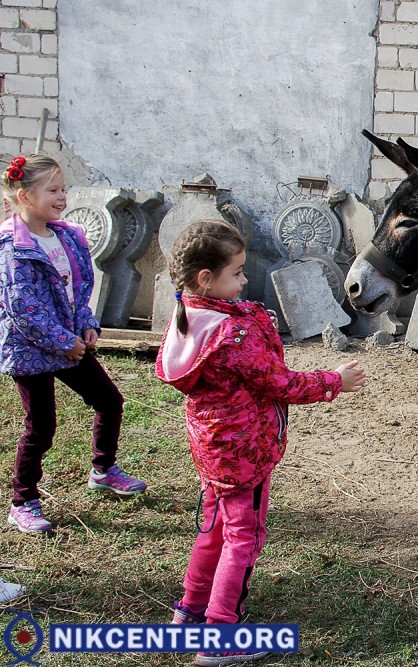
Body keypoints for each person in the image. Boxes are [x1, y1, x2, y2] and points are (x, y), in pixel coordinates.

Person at [155, 219, 366, 666]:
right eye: (236, 273)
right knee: (242, 538)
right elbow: (280, 383)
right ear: (205, 279)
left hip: (212, 448)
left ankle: (190, 613)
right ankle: (221, 634)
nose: (245, 280)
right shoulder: (232, 334)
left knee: (213, 529)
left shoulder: (189, 319)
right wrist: (334, 381)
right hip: (243, 451)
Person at [0, 155, 147, 535]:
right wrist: (65, 342)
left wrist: (85, 324)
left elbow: (79, 289)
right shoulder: (13, 246)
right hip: (32, 350)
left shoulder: (66, 236)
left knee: (109, 400)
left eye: (63, 188)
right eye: (52, 189)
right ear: (24, 196)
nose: (62, 196)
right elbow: (24, 310)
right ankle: (23, 501)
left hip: (70, 343)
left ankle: (103, 470)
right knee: (41, 427)